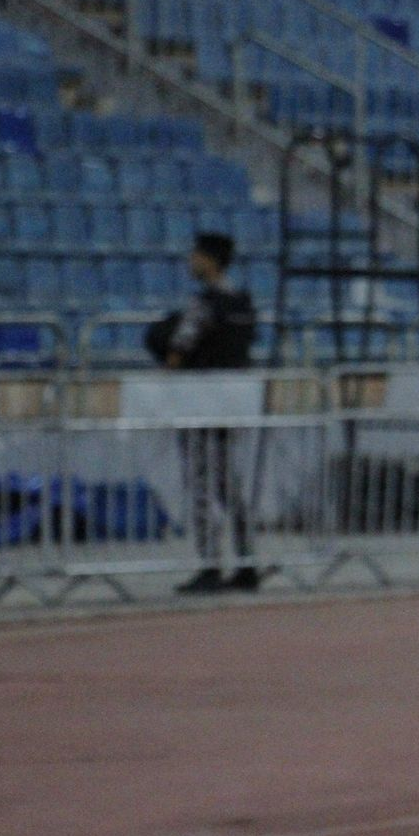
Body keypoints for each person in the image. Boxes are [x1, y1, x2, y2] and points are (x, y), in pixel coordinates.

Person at [146, 232, 259, 592]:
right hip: (232, 403)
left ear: (210, 260)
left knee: (200, 485)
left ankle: (210, 565)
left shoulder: (205, 304)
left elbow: (179, 350)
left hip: (199, 403)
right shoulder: (242, 303)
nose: (191, 261)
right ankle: (247, 562)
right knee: (228, 484)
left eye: (196, 255)